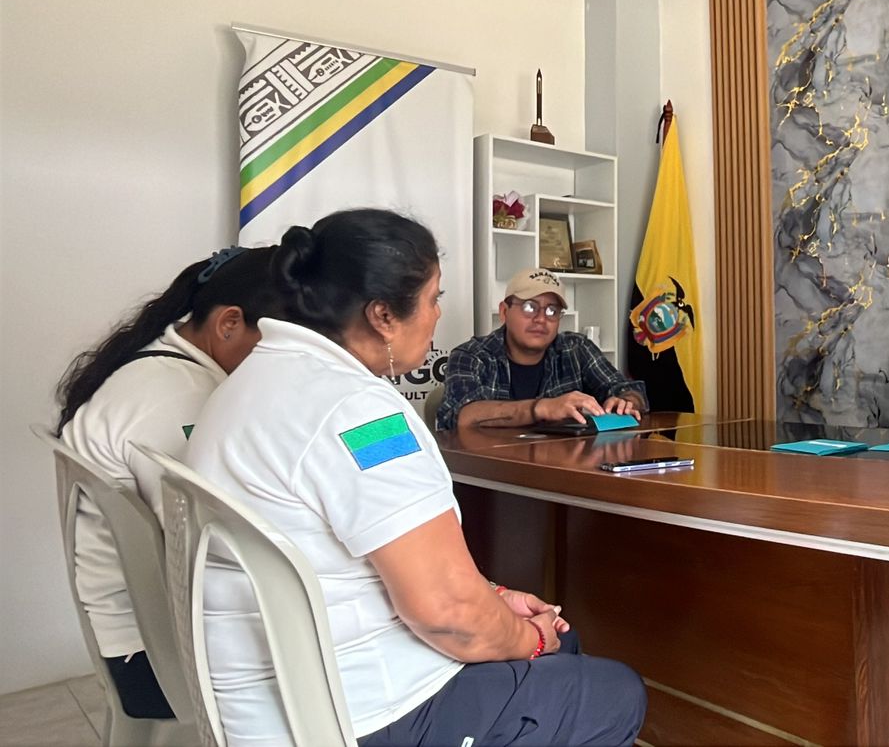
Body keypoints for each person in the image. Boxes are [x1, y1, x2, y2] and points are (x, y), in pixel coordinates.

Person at [184, 210, 645, 746]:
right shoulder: (361, 415)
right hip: (356, 713)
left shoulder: (250, 381)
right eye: (433, 299)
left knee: (563, 647)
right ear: (383, 315)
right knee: (617, 691)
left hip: (276, 695)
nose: (437, 315)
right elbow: (448, 614)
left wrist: (494, 595)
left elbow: (383, 559)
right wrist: (531, 639)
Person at [55, 245, 280, 721]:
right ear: (229, 323)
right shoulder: (182, 398)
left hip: (138, 638)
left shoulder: (161, 367)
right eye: (281, 341)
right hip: (156, 663)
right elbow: (218, 544)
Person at [436, 268, 649, 431]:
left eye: (552, 311)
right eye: (529, 307)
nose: (541, 319)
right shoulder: (471, 356)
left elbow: (628, 388)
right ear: (504, 311)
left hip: (564, 465)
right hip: (491, 468)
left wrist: (627, 402)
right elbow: (463, 416)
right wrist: (542, 408)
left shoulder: (576, 348)